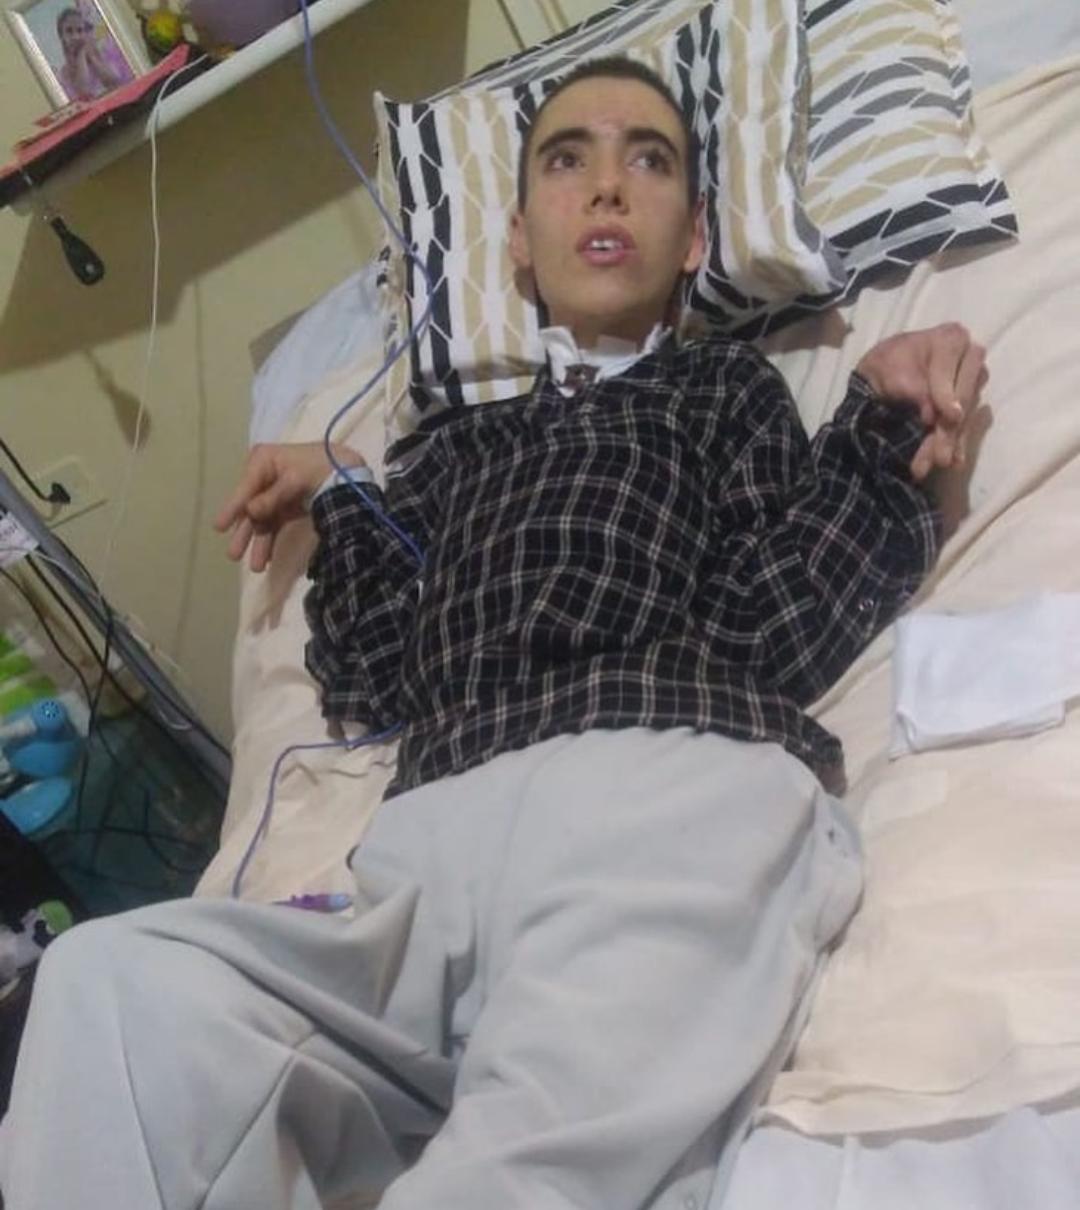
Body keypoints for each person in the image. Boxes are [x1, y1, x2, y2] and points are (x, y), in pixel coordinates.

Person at [0, 57, 984, 1210]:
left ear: (695, 240)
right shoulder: (446, 443)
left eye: (649, 160)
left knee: (530, 1161)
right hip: (427, 854)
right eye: (567, 160)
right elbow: (372, 677)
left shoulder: (725, 390)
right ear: (517, 240)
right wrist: (350, 490)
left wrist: (883, 422)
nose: (607, 187)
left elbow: (776, 623)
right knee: (113, 986)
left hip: (661, 791)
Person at [55, 5, 129, 103]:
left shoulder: (101, 55)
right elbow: (84, 94)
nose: (75, 36)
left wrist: (91, 56)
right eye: (69, 31)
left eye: (79, 30)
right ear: (61, 36)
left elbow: (115, 83)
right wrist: (81, 56)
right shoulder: (63, 76)